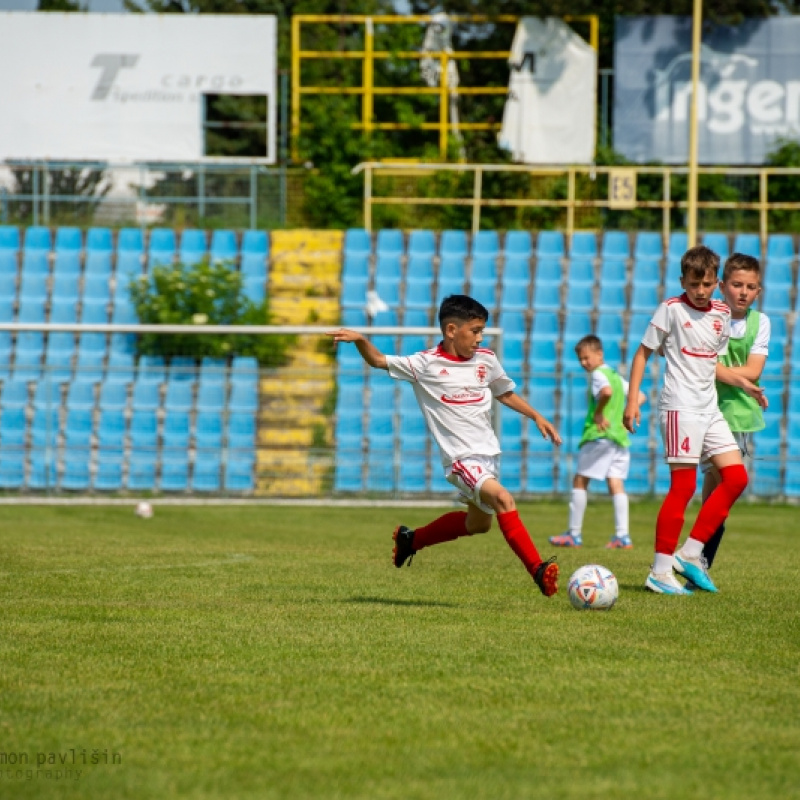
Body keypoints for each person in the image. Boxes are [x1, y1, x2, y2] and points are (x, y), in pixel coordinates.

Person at [327, 294, 563, 597]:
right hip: (460, 460)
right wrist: (360, 339)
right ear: (451, 330)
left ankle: (411, 540)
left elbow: (503, 393)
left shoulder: (486, 360)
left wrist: (537, 416)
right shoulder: (425, 364)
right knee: (504, 499)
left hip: (488, 456)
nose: (480, 338)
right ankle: (538, 570)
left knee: (479, 525)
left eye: (482, 332)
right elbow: (377, 360)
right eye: (474, 331)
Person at [623, 245, 765, 595]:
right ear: (682, 281)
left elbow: (710, 365)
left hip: (710, 408)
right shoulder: (670, 310)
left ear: (716, 283)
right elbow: (642, 354)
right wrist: (631, 401)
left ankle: (690, 552)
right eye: (693, 283)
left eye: (706, 284)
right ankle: (659, 571)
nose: (699, 291)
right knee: (684, 487)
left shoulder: (720, 313)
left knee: (736, 477)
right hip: (680, 408)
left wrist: (745, 384)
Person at [695, 252, 770, 581]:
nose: (743, 292)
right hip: (702, 407)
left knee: (719, 489)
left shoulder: (761, 322)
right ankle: (693, 558)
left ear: (758, 291)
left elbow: (754, 370)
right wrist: (729, 374)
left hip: (737, 414)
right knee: (713, 489)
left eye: (750, 286)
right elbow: (702, 366)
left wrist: (720, 370)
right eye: (737, 284)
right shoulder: (709, 317)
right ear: (722, 286)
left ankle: (697, 559)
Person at [549, 334, 647, 550]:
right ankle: (623, 536)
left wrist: (600, 413)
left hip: (600, 437)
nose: (584, 363)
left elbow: (606, 392)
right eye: (581, 360)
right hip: (620, 438)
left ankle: (574, 534)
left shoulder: (599, 375)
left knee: (580, 480)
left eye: (587, 358)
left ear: (599, 354)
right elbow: (640, 395)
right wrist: (625, 414)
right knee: (616, 483)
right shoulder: (614, 374)